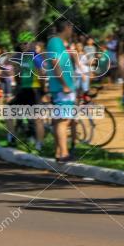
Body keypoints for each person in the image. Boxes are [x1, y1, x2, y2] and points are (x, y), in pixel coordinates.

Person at [6, 32, 46, 151]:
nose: (23, 46)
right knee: (8, 109)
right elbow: (19, 73)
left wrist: (44, 90)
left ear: (32, 43)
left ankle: (39, 144)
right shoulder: (23, 56)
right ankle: (12, 138)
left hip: (35, 90)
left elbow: (42, 74)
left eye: (25, 43)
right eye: (21, 44)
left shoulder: (36, 56)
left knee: (37, 117)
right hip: (24, 89)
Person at [45, 19, 76, 162]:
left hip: (62, 88)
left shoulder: (57, 43)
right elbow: (55, 64)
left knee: (60, 120)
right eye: (72, 28)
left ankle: (59, 152)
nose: (72, 31)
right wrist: (64, 84)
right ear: (67, 27)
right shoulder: (56, 42)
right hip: (61, 88)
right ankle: (64, 153)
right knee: (63, 120)